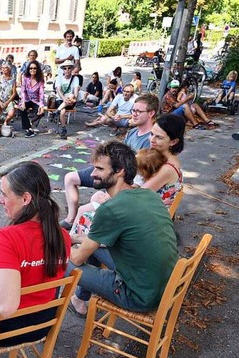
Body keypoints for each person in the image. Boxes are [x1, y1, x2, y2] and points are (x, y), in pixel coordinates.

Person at [0, 161, 71, 346]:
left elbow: (4, 307)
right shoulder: (63, 236)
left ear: (26, 198)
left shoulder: (8, 237)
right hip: (41, 325)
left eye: (4, 194)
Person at [66, 141, 178, 316]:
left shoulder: (110, 209)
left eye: (99, 169)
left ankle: (42, 320)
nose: (93, 174)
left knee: (61, 262)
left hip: (137, 295)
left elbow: (78, 259)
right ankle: (79, 300)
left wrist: (66, 245)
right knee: (89, 249)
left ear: (120, 171)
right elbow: (109, 241)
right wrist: (77, 239)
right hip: (162, 286)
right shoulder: (149, 195)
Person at [60, 93, 159, 230]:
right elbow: (119, 155)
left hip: (120, 176)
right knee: (70, 178)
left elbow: (141, 178)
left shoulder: (151, 140)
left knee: (92, 202)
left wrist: (111, 192)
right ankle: (71, 219)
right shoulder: (132, 132)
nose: (134, 114)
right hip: (110, 167)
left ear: (151, 113)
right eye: (133, 110)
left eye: (138, 111)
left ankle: (78, 234)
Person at [18, 60, 45, 138]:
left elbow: (41, 93)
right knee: (22, 109)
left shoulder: (40, 80)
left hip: (35, 100)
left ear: (37, 69)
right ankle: (29, 129)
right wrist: (23, 102)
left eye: (34, 68)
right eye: (31, 68)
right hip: (26, 99)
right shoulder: (26, 78)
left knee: (41, 112)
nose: (32, 70)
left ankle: (31, 122)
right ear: (28, 69)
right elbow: (23, 91)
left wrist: (41, 105)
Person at [53, 60, 79, 139]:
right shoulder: (59, 78)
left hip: (71, 100)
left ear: (71, 69)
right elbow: (58, 90)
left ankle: (56, 111)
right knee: (63, 111)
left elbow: (76, 91)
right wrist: (64, 99)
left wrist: (74, 98)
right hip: (61, 100)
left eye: (69, 68)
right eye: (65, 68)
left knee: (71, 95)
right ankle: (63, 128)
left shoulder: (75, 78)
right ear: (63, 70)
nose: (67, 70)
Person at [0, 61, 16, 140]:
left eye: (6, 68)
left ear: (9, 69)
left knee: (11, 113)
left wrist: (7, 102)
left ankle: (5, 122)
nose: (4, 69)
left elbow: (14, 93)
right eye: (2, 68)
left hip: (8, 100)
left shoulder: (13, 79)